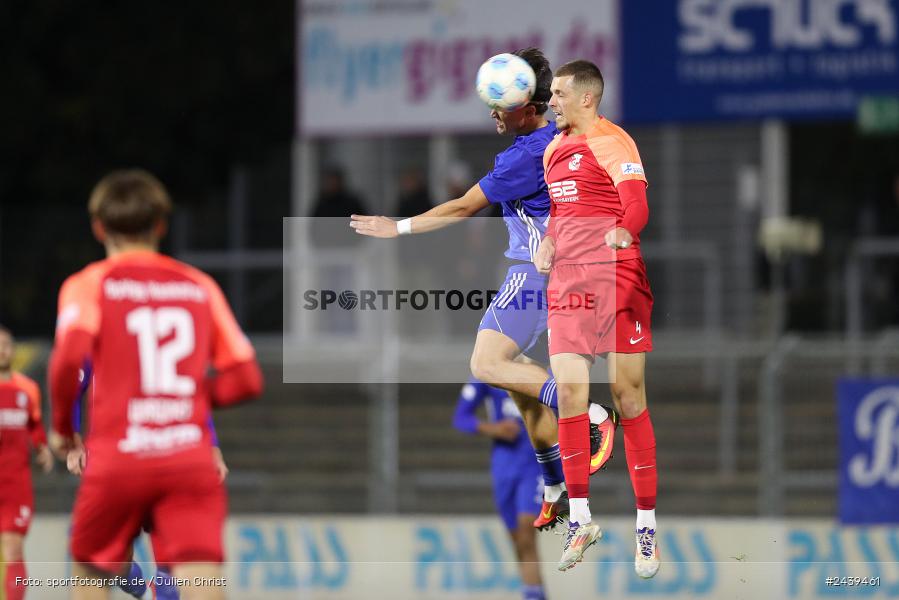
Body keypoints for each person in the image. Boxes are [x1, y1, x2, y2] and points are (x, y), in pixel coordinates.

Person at [350, 48, 617, 531]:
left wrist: (399, 227)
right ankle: (555, 486)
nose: (492, 110)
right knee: (518, 386)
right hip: (564, 272)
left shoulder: (526, 155)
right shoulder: (562, 137)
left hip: (536, 274)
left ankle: (590, 411)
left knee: (485, 363)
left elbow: (460, 208)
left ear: (529, 106)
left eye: (500, 100)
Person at [48, 169, 264, 600]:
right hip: (186, 455)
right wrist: (190, 406)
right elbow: (246, 379)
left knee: (91, 573)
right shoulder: (198, 286)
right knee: (200, 582)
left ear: (98, 227)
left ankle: (144, 589)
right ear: (161, 225)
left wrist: (64, 431)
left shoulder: (89, 285)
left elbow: (68, 359)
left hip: (119, 454)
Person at [535, 59, 659, 576]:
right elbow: (561, 214)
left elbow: (637, 209)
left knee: (628, 398)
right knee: (568, 391)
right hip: (569, 283)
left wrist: (623, 232)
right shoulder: (551, 149)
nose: (551, 101)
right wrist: (547, 241)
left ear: (587, 98)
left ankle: (646, 526)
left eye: (559, 93)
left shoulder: (615, 143)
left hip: (617, 276)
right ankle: (581, 518)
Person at [65, 362, 231, 600]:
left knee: (169, 570)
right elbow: (70, 387)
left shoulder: (164, 340)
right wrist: (74, 442)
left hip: (165, 460)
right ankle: (138, 586)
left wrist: (212, 447)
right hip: (114, 466)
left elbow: (194, 394)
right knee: (113, 562)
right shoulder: (97, 338)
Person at [452, 378, 547, 600]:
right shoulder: (488, 372)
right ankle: (538, 593)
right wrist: (493, 429)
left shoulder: (540, 368)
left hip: (534, 464)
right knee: (519, 541)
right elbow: (461, 417)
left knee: (526, 533)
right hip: (504, 466)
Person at [0, 325, 53, 600]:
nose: (2, 350)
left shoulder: (28, 389)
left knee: (13, 550)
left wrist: (42, 448)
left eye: (7, 344)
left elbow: (35, 425)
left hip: (15, 484)